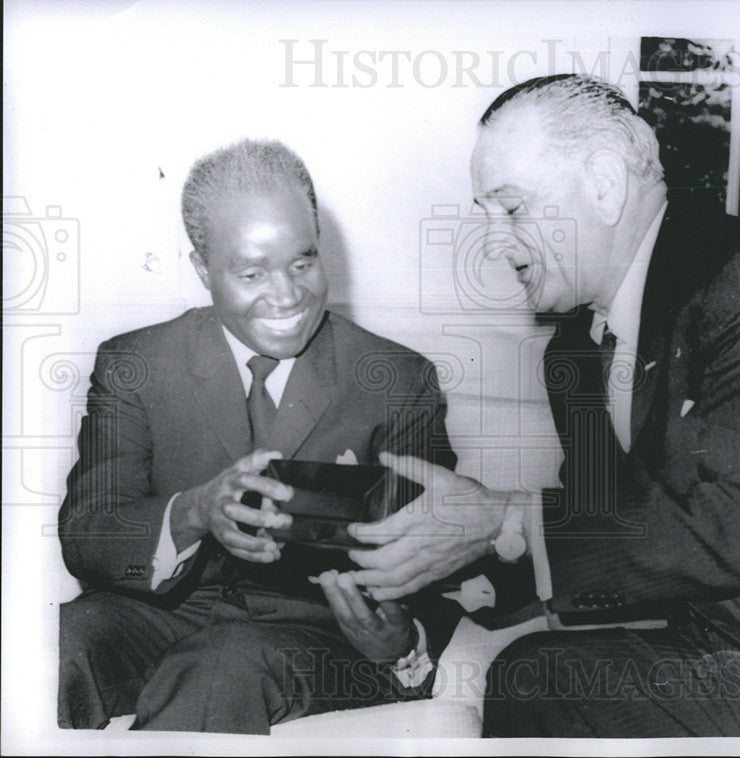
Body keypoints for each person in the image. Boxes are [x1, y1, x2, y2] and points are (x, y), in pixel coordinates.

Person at [344, 75, 740, 737]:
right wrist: (439, 566)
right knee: (533, 675)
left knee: (536, 679)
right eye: (484, 215)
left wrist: (503, 518)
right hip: (711, 656)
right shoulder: (575, 353)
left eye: (512, 209)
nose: (493, 244)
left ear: (605, 184)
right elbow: (606, 527)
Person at [58, 139, 460, 733]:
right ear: (202, 269)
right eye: (251, 273)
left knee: (220, 668)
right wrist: (192, 512)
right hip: (158, 615)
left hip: (315, 634)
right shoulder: (134, 365)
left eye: (304, 263)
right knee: (60, 644)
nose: (288, 296)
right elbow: (89, 534)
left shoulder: (397, 379)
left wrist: (398, 636)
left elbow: (438, 563)